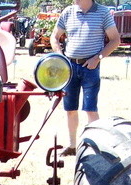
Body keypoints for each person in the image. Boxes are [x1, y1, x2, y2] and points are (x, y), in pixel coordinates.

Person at [50, 0, 121, 156]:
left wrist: (97, 58)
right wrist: (61, 58)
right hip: (69, 68)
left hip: (91, 67)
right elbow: (54, 37)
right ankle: (72, 145)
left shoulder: (102, 13)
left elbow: (115, 40)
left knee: (90, 108)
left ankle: (96, 147)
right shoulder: (68, 12)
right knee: (70, 109)